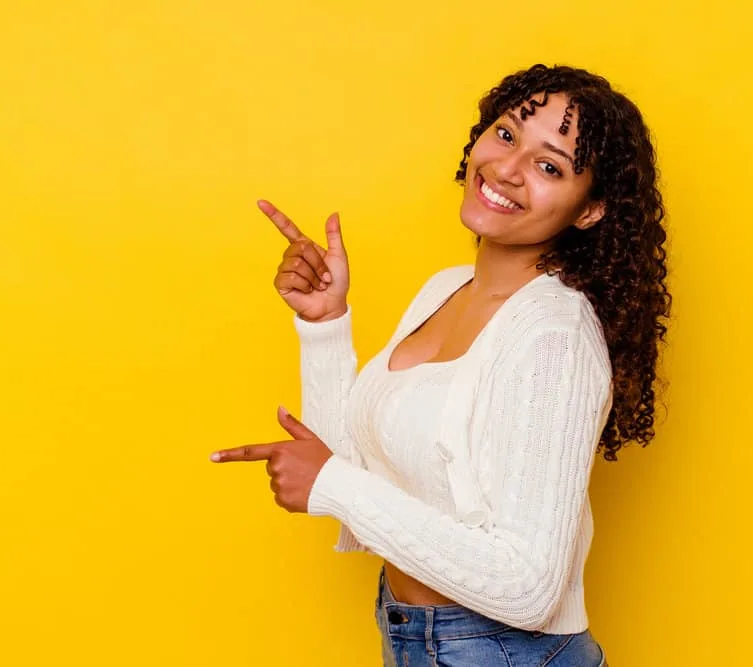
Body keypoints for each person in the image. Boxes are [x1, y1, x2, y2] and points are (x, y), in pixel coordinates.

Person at [211, 63, 671, 666]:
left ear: (590, 211)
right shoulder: (446, 289)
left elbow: (530, 588)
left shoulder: (554, 336)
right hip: (421, 639)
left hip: (504, 653)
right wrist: (325, 325)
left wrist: (333, 483)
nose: (506, 170)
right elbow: (352, 475)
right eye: (507, 135)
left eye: (550, 165)